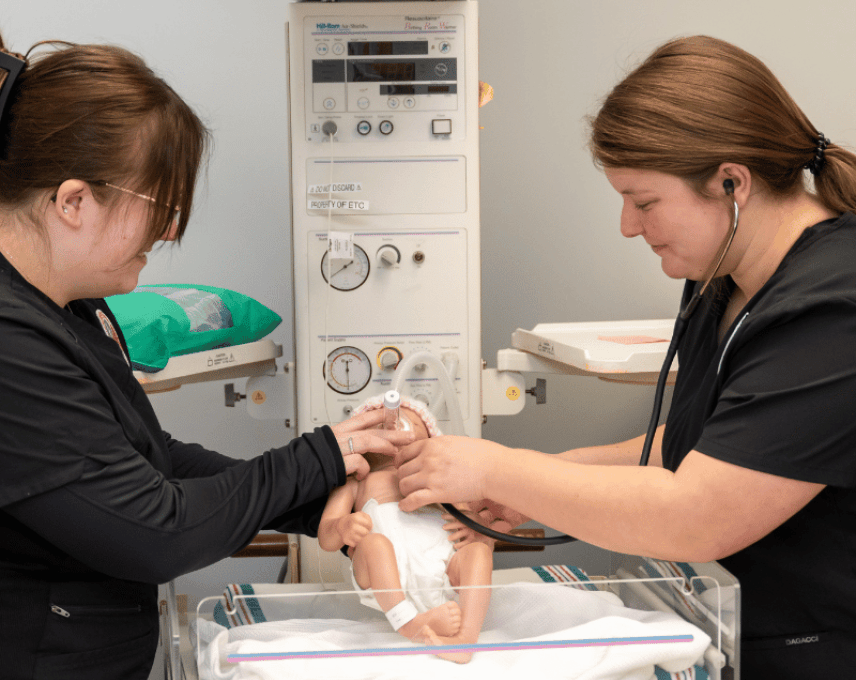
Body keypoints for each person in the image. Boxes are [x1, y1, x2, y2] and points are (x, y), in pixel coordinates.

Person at [395, 35, 856, 679]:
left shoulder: (832, 310)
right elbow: (715, 442)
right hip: (745, 633)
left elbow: (698, 513)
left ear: (731, 183)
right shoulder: (723, 277)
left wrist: (497, 470)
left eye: (644, 202)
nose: (629, 226)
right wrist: (544, 479)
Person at [0, 33, 415, 680]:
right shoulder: (11, 344)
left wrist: (333, 489)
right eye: (160, 208)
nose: (170, 231)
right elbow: (156, 530)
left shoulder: (70, 306)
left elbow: (150, 462)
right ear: (73, 201)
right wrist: (323, 456)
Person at [319, 394, 493, 663]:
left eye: (411, 423)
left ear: (430, 441)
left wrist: (475, 527)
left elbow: (483, 530)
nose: (393, 425)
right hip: (382, 573)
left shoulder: (442, 481)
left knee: (479, 552)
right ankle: (408, 623)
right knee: (374, 544)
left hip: (444, 567)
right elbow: (326, 537)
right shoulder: (357, 481)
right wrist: (342, 527)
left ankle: (465, 639)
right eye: (380, 423)